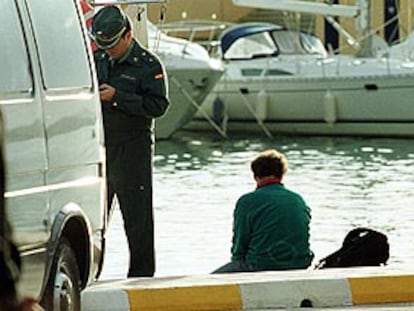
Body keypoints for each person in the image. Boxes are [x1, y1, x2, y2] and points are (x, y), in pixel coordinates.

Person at [89, 6, 170, 277]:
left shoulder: (148, 65)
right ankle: (89, 276)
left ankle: (142, 278)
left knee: (138, 222)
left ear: (127, 34)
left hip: (132, 148)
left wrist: (117, 97)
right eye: (104, 45)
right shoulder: (96, 59)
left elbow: (158, 106)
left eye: (112, 44)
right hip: (100, 147)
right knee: (93, 220)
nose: (108, 50)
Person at [213, 149, 314, 273]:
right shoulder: (298, 199)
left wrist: (237, 266)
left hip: (261, 265)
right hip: (299, 264)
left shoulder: (247, 201)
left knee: (207, 283)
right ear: (282, 175)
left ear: (256, 176)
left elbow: (240, 242)